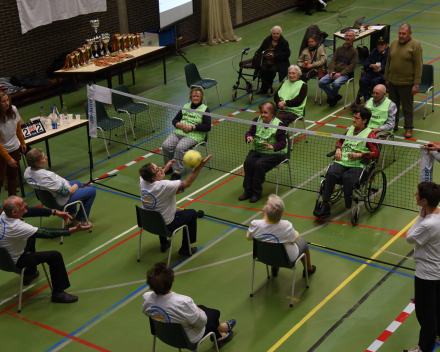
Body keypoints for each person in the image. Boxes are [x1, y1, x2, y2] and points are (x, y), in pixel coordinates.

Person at [0, 196, 92, 303]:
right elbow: (48, 233)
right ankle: (58, 294)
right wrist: (74, 230)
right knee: (55, 256)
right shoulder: (17, 227)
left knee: (31, 236)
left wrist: (55, 212)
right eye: (22, 204)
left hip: (3, 259)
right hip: (17, 261)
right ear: (14, 212)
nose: (25, 204)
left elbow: (30, 211)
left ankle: (30, 273)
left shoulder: (4, 215)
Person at [142, 262, 235, 347]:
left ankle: (220, 331)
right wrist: (200, 311)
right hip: (187, 340)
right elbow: (201, 323)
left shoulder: (147, 298)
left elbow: (146, 312)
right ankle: (220, 333)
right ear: (171, 281)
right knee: (213, 314)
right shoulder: (183, 302)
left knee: (200, 308)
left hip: (163, 334)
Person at [139, 154, 212, 256]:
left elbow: (154, 178)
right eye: (157, 169)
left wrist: (166, 168)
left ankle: (164, 243)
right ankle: (185, 249)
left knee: (157, 212)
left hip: (149, 223)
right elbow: (187, 183)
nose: (160, 168)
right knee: (191, 213)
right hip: (168, 227)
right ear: (153, 177)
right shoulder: (164, 186)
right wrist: (199, 167)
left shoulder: (143, 180)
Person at [314, 107, 379, 218]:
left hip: (357, 164)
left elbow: (376, 153)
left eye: (357, 118)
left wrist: (360, 155)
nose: (354, 120)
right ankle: (325, 204)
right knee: (330, 173)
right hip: (342, 162)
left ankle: (348, 203)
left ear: (364, 121)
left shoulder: (369, 134)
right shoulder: (350, 130)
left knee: (348, 178)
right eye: (353, 117)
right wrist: (338, 149)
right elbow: (340, 141)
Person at [403, 182, 440, 352]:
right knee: (436, 309)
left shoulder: (428, 224)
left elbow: (409, 237)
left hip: (426, 275)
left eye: (417, 194)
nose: (414, 195)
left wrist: (420, 216)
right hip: (438, 272)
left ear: (425, 201)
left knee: (425, 315)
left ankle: (424, 348)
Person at [246, 194, 316, 277]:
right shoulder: (286, 226)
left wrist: (263, 221)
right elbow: (294, 239)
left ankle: (274, 268)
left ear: (265, 212)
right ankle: (308, 269)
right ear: (282, 212)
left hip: (263, 257)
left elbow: (249, 237)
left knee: (270, 241)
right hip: (286, 260)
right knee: (303, 242)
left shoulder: (255, 224)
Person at [24, 148, 95, 227]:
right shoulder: (47, 176)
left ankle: (71, 214)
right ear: (37, 164)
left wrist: (63, 182)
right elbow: (67, 193)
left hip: (46, 200)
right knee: (91, 191)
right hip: (59, 201)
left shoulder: (27, 172)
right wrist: (73, 187)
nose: (46, 157)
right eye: (43, 158)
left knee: (77, 182)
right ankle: (80, 220)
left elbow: (49, 183)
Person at [239, 102, 287, 203]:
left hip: (275, 153)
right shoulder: (257, 120)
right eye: (262, 112)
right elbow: (250, 132)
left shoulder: (279, 125)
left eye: (265, 113)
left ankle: (256, 193)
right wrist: (248, 136)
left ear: (272, 114)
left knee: (258, 165)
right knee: (248, 162)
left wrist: (272, 147)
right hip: (258, 150)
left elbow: (283, 143)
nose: (263, 115)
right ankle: (247, 191)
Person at [162, 88, 211, 181]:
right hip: (179, 132)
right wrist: (179, 124)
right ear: (190, 97)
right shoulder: (186, 106)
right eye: (194, 96)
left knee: (180, 148)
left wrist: (192, 127)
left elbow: (208, 127)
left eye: (198, 96)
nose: (195, 98)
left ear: (201, 97)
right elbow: (175, 120)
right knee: (166, 145)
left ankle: (177, 172)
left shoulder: (205, 109)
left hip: (194, 134)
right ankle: (168, 167)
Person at [384, 23, 423, 138]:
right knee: (392, 107)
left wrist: (416, 84)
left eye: (404, 34)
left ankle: (408, 128)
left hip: (407, 83)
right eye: (400, 33)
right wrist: (387, 78)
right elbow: (388, 62)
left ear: (410, 33)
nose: (401, 36)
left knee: (407, 107)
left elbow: (418, 66)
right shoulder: (394, 43)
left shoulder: (415, 45)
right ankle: (393, 125)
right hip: (393, 82)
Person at [318, 30, 358, 108]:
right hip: (334, 72)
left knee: (336, 84)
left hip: (345, 74)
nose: (348, 37)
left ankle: (332, 97)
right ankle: (334, 96)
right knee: (321, 82)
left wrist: (340, 74)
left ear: (354, 38)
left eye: (350, 36)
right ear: (344, 37)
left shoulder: (354, 52)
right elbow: (333, 60)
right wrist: (331, 72)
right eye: (347, 36)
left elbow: (351, 66)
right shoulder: (339, 49)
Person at [0, 91, 27, 196]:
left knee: (13, 175)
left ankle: (13, 200)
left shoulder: (13, 110)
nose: (7, 103)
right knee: (1, 178)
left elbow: (17, 126)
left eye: (7, 100)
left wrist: (22, 142)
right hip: (2, 151)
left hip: (14, 147)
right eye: (3, 101)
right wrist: (8, 158)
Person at [256, 26, 291, 95]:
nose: (275, 35)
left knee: (272, 70)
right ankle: (264, 88)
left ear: (280, 34)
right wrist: (264, 55)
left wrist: (275, 55)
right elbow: (260, 50)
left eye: (277, 33)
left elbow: (287, 54)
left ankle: (268, 86)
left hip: (279, 62)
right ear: (271, 34)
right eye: (274, 33)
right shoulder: (267, 40)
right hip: (267, 61)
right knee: (263, 69)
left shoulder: (284, 42)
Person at [358, 36, 389, 104]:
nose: (379, 46)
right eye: (378, 44)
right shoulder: (374, 51)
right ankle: (366, 99)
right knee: (362, 80)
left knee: (374, 81)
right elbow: (366, 62)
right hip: (372, 73)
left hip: (383, 75)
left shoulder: (390, 53)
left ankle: (375, 99)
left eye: (382, 44)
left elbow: (391, 66)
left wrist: (381, 68)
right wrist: (371, 65)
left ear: (386, 45)